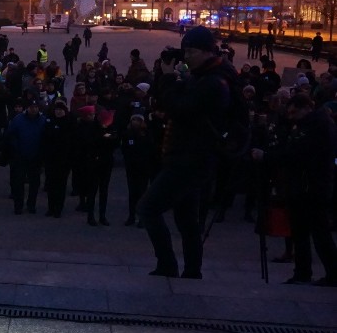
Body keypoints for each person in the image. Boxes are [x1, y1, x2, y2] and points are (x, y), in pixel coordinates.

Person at [137, 26, 238, 279]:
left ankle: (168, 265)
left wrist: (169, 78)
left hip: (188, 158)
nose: (187, 56)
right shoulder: (207, 75)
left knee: (148, 208)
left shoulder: (213, 81)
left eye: (191, 51)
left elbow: (179, 108)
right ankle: (192, 271)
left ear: (206, 51)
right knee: (187, 220)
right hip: (192, 158)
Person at [251, 93, 337, 286]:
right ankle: (303, 272)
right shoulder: (308, 124)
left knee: (318, 233)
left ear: (306, 108)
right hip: (303, 186)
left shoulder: (317, 126)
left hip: (311, 187)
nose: (291, 117)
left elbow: (297, 153)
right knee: (301, 233)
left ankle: (330, 272)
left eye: (293, 112)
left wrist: (266, 156)